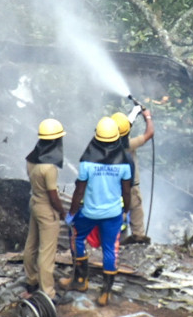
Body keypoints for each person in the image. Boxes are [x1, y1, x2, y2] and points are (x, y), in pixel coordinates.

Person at [61, 117, 132, 306]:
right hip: (113, 215)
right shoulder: (124, 164)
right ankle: (105, 293)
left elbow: (79, 190)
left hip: (90, 213)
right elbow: (126, 191)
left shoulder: (86, 164)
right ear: (117, 138)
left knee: (77, 237)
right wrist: (126, 211)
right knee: (110, 250)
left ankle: (81, 280)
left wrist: (72, 213)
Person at [22, 119, 68, 304]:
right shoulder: (49, 168)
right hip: (46, 209)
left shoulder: (31, 160)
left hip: (34, 203)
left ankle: (31, 280)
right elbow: (53, 196)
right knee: (47, 251)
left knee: (31, 244)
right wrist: (62, 212)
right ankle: (48, 292)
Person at [112, 106, 154, 245]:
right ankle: (138, 241)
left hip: (114, 188)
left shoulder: (107, 143)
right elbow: (149, 134)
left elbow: (123, 127)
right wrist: (147, 117)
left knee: (116, 220)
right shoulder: (127, 145)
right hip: (130, 188)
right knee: (135, 215)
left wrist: (135, 112)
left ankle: (117, 243)